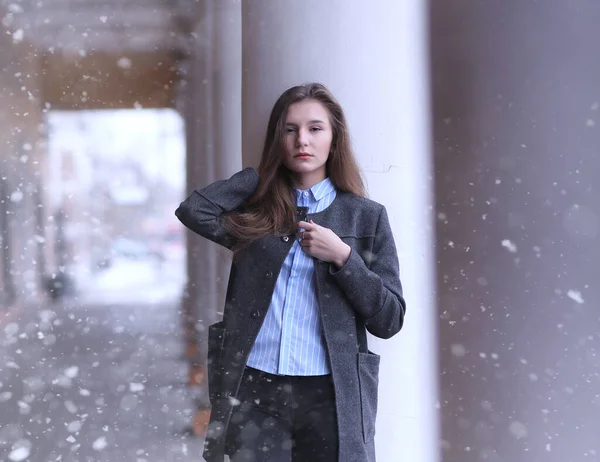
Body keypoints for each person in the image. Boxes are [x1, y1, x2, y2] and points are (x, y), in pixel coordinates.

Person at [175, 82, 406, 462]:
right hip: (254, 388)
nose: (303, 139)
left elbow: (389, 319)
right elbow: (194, 211)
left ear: (335, 139)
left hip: (329, 394)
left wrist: (345, 259)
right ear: (277, 139)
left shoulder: (366, 217)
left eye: (315, 129)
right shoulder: (255, 216)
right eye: (290, 129)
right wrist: (258, 176)